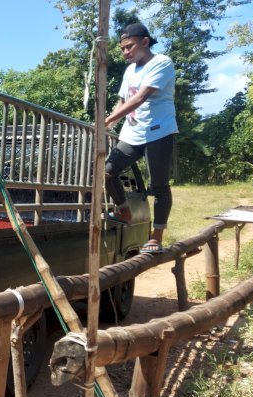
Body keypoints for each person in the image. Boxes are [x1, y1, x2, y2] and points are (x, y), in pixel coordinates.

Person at [104, 22, 178, 254]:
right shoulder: (129, 70)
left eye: (130, 46)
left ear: (145, 42)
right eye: (123, 49)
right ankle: (123, 209)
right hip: (132, 133)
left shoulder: (162, 62)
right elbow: (124, 100)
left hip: (159, 131)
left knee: (158, 186)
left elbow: (142, 97)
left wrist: (106, 120)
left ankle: (156, 236)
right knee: (107, 171)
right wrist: (111, 121)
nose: (126, 52)